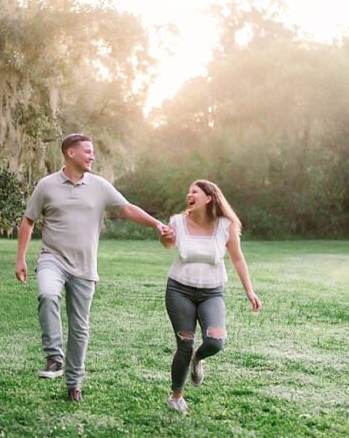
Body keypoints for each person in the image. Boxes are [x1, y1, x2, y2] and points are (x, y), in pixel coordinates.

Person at [14, 133, 172, 402]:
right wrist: (20, 259)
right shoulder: (46, 185)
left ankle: (73, 384)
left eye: (93, 151)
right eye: (87, 151)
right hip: (52, 258)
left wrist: (156, 224)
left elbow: (128, 209)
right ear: (70, 153)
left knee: (79, 327)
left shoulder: (99, 186)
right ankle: (54, 356)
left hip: (85, 267)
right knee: (47, 294)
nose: (92, 156)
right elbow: (28, 221)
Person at [160, 179, 261, 414]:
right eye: (188, 192)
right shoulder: (177, 222)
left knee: (216, 342)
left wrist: (249, 290)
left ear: (208, 198)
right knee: (184, 344)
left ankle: (198, 358)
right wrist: (165, 237)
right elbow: (167, 243)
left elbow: (237, 258)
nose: (189, 195)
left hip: (211, 292)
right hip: (179, 290)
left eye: (194, 191)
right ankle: (176, 397)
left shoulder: (226, 225)